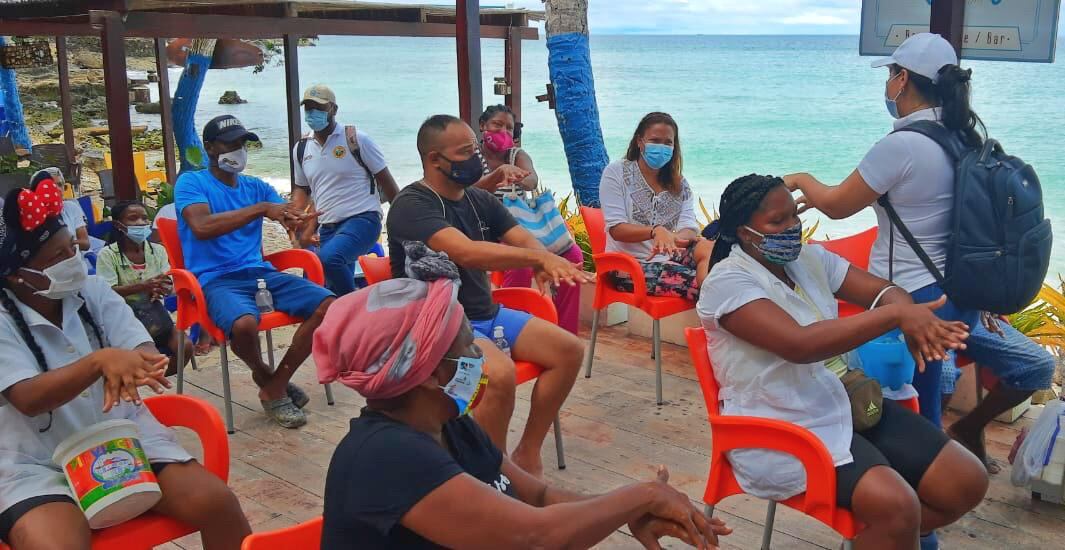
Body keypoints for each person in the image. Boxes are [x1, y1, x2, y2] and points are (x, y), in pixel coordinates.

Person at [315, 243, 730, 550]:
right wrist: (642, 496)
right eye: (467, 346)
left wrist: (629, 511)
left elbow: (539, 498)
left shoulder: (452, 428)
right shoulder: (385, 455)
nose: (479, 355)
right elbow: (535, 536)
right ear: (427, 374)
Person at [782, 33, 1055, 472]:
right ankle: (944, 470)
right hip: (962, 293)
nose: (888, 84)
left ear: (902, 79)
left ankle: (924, 511)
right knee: (936, 388)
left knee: (917, 407)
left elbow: (836, 204)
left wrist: (801, 179)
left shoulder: (901, 146)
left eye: (890, 74)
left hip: (908, 301)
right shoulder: (965, 139)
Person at [698, 174, 988, 550]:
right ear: (744, 231)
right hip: (782, 423)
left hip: (846, 399)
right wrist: (895, 317)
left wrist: (910, 315)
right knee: (898, 508)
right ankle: (886, 535)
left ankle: (876, 540)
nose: (791, 228)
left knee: (966, 482)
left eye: (793, 216)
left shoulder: (808, 259)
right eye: (776, 222)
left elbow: (881, 290)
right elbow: (799, 345)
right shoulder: (728, 283)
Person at [0, 180, 250, 549]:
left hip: (120, 438)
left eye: (72, 247)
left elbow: (140, 348)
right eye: (57, 257)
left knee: (218, 503)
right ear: (16, 274)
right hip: (33, 463)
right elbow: (27, 397)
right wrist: (100, 361)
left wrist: (137, 362)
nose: (73, 259)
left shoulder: (90, 289)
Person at [386, 114, 590, 478]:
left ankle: (526, 453)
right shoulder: (413, 205)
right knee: (499, 376)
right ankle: (491, 476)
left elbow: (521, 238)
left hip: (486, 314)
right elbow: (466, 252)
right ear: (435, 160)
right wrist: (536, 258)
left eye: (475, 149)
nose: (476, 158)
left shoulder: (479, 200)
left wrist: (541, 257)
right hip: (437, 323)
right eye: (465, 151)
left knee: (569, 350)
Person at [175, 115, 336, 428]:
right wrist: (263, 209)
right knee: (245, 324)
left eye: (242, 144)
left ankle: (275, 386)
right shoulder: (192, 183)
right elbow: (202, 226)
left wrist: (297, 222)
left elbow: (284, 212)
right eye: (230, 144)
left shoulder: (256, 186)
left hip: (259, 272)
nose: (238, 150)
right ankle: (268, 379)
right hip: (214, 279)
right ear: (209, 148)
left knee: (329, 304)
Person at [477, 104, 584, 335]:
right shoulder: (472, 157)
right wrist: (497, 176)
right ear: (483, 126)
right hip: (487, 229)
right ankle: (514, 327)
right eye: (497, 125)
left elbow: (532, 180)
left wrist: (518, 177)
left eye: (509, 128)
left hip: (522, 227)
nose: (503, 131)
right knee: (521, 262)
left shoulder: (517, 155)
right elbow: (467, 191)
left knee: (573, 255)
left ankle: (564, 331)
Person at [291, 84, 400, 296]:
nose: (313, 113)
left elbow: (388, 183)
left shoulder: (356, 139)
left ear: (333, 109)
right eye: (309, 108)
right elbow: (302, 190)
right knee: (331, 287)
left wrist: (405, 223)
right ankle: (350, 319)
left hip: (363, 220)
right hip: (328, 228)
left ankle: (354, 309)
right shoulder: (302, 148)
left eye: (319, 108)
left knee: (330, 259)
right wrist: (293, 213)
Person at [599, 112, 713, 301]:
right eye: (654, 140)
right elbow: (616, 229)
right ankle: (710, 303)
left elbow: (689, 227)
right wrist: (655, 231)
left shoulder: (679, 184)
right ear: (639, 141)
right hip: (627, 266)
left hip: (669, 255)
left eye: (668, 142)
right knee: (713, 289)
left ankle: (711, 298)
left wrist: (673, 238)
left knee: (712, 252)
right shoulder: (617, 172)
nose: (661, 147)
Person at [95, 200, 191, 376]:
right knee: (151, 359)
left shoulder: (157, 251)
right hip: (125, 320)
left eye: (144, 218)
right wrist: (143, 286)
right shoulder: (108, 255)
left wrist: (161, 287)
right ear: (118, 225)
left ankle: (164, 381)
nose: (141, 223)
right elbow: (106, 292)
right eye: (133, 218)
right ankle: (152, 382)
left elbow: (167, 281)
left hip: (157, 316)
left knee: (185, 346)